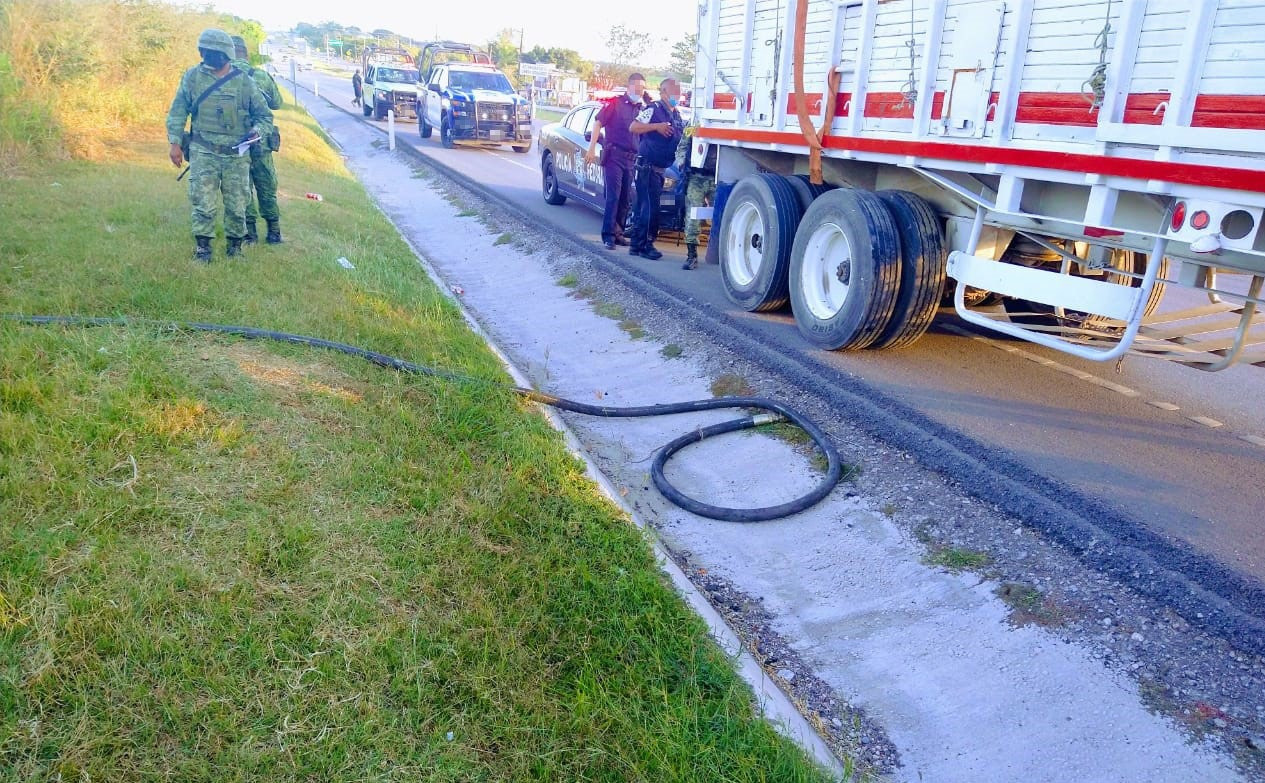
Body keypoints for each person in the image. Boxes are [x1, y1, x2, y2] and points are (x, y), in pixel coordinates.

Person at [166, 28, 273, 263]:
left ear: (226, 54)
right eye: (206, 52)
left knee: (237, 204)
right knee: (202, 201)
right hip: (203, 150)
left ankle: (235, 247)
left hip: (236, 155)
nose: (210, 57)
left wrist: (256, 132)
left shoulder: (244, 82)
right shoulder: (193, 77)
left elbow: (264, 117)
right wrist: (175, 142)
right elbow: (178, 110)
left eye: (215, 53)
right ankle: (203, 249)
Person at [584, 73, 648, 250]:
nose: (640, 91)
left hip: (631, 159)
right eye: (637, 87)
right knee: (613, 197)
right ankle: (608, 236)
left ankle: (618, 233)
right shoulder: (615, 104)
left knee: (626, 198)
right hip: (614, 156)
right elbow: (598, 123)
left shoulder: (641, 109)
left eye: (642, 88)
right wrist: (591, 148)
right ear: (629, 87)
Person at [232, 35, 285, 245]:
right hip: (261, 142)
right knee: (266, 186)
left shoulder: (219, 78)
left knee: (243, 187)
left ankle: (250, 234)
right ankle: (274, 232)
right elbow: (277, 104)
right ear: (246, 54)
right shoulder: (260, 76)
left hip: (236, 144)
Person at [627, 78, 683, 260]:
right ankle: (645, 245)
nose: (677, 95)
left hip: (660, 169)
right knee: (650, 209)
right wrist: (656, 127)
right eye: (673, 92)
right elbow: (633, 127)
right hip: (647, 167)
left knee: (645, 208)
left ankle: (636, 245)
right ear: (663, 92)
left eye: (679, 91)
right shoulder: (653, 109)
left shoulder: (676, 114)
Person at [674, 122, 716, 270]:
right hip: (696, 177)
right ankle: (692, 255)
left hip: (718, 178)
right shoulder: (693, 123)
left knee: (722, 218)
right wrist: (681, 163)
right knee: (693, 217)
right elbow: (682, 146)